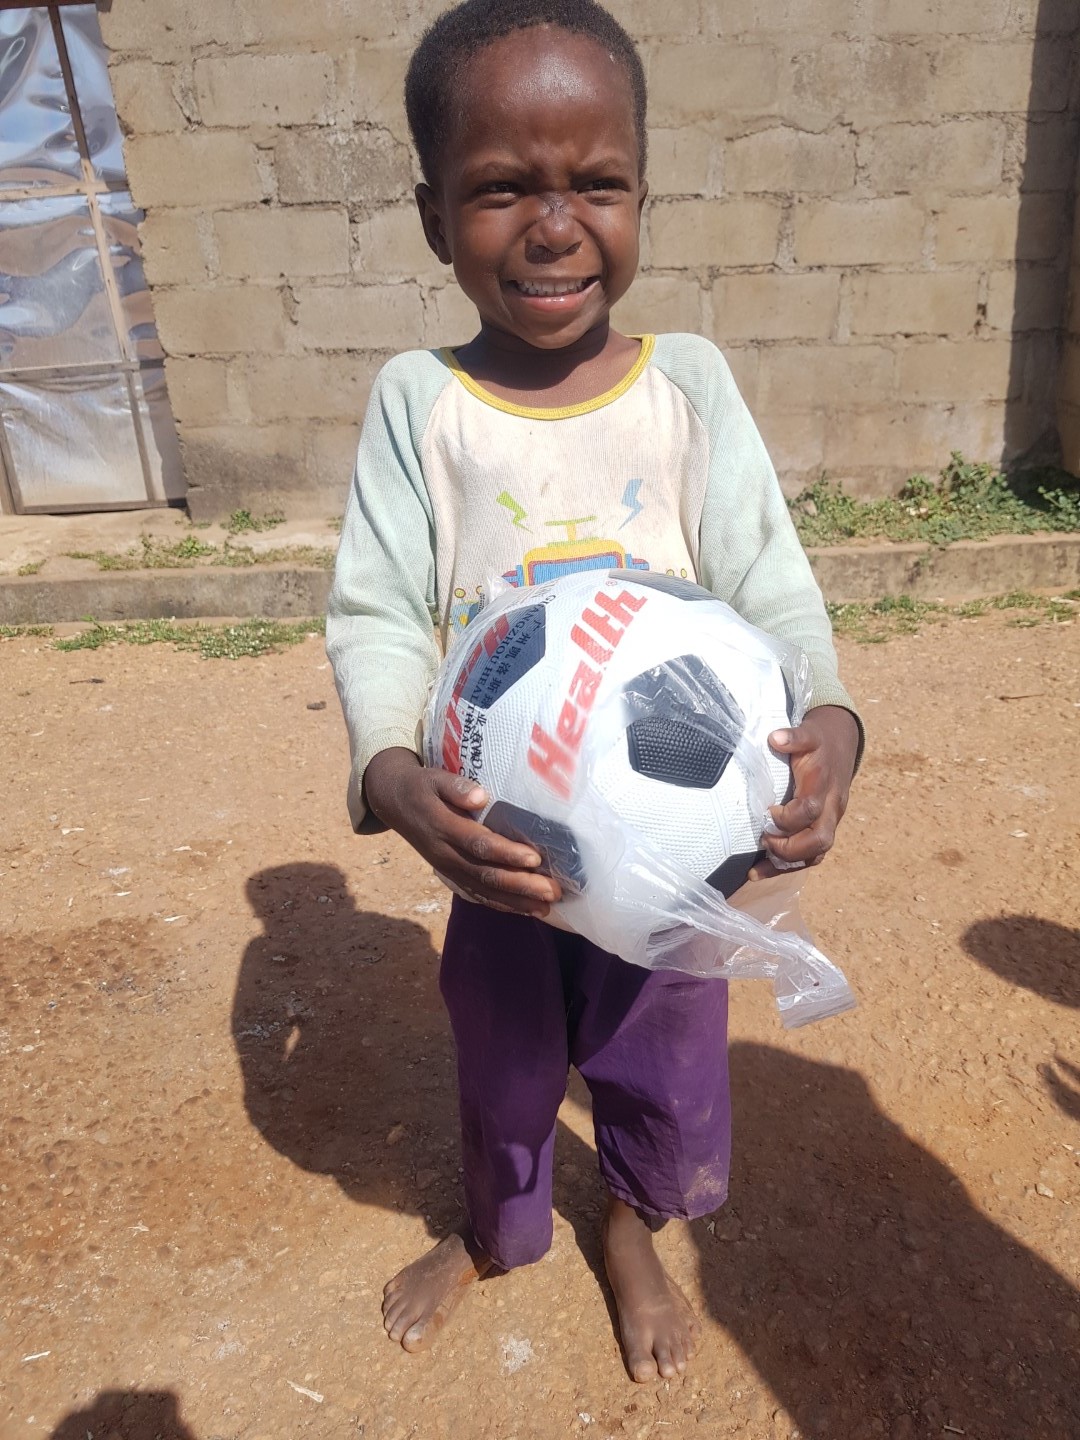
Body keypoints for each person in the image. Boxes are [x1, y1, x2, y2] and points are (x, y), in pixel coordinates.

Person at [326, 0, 862, 1383]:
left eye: (597, 185)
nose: (555, 226)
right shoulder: (421, 403)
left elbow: (773, 584)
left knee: (665, 1067)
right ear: (435, 218)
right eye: (502, 188)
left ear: (641, 197)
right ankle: (500, 1229)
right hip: (499, 849)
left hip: (677, 858)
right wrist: (393, 774)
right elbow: (379, 609)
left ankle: (632, 1226)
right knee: (501, 1062)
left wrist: (833, 725)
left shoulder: (689, 388)